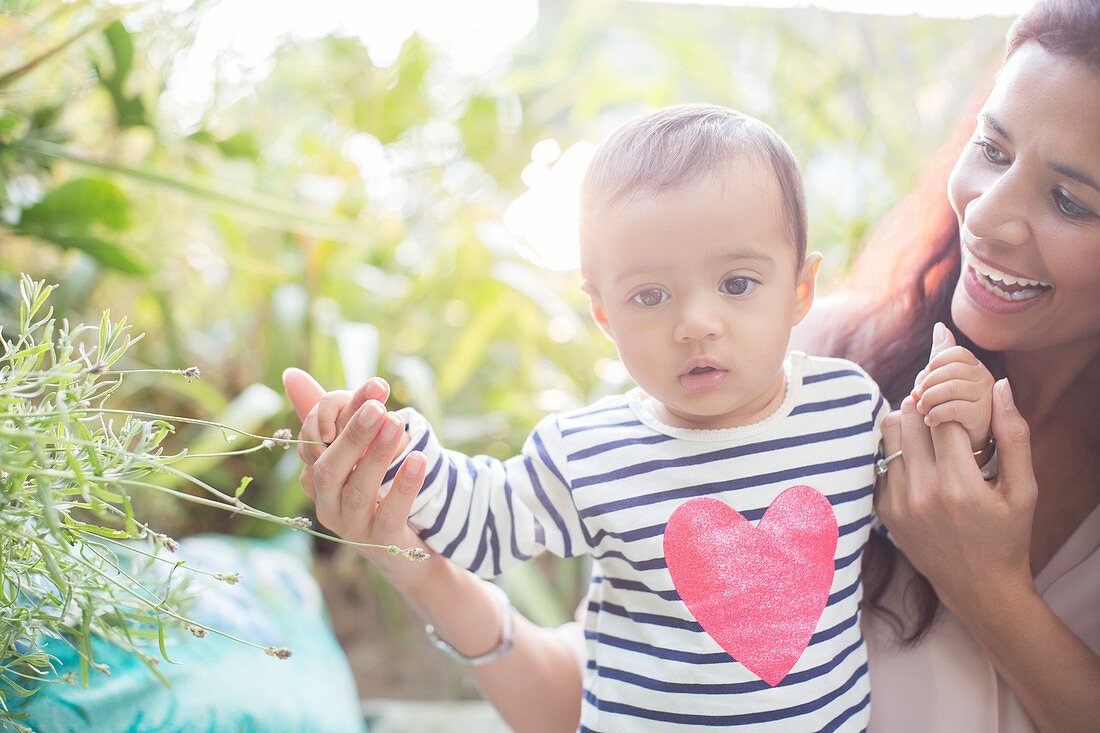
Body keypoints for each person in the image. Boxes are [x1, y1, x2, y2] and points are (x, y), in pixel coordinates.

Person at [286, 103, 997, 731]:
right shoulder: (587, 451)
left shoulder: (848, 406)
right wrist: (391, 443)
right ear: (603, 312)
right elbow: (486, 524)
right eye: (650, 295)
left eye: (738, 283)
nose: (695, 322)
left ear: (800, 289)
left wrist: (965, 425)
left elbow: (932, 500)